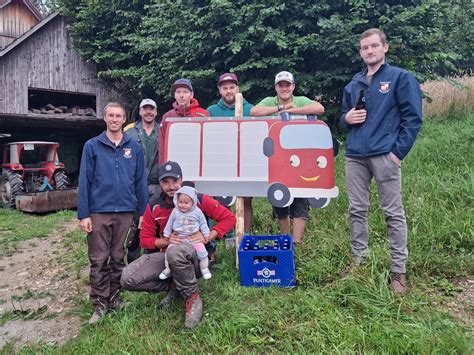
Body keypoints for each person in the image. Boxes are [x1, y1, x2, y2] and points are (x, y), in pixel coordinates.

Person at [340, 28, 422, 295]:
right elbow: (343, 117)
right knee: (356, 210)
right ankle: (359, 261)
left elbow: (413, 119)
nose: (370, 51)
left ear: (384, 48)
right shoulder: (353, 84)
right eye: (365, 48)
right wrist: (346, 119)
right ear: (360, 52)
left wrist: (397, 153)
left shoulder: (399, 78)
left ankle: (398, 271)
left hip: (385, 155)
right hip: (355, 156)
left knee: (393, 213)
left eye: (374, 46)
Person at [121, 161, 236, 328]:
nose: (171, 186)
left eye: (175, 181)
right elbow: (145, 239)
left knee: (176, 254)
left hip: (197, 256)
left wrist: (208, 236)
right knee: (128, 278)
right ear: (160, 183)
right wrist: (166, 241)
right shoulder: (154, 206)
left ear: (181, 179)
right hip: (168, 254)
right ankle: (175, 285)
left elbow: (229, 218)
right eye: (165, 182)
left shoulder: (199, 200)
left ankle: (193, 298)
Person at [78, 102, 148, 324]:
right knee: (99, 259)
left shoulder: (134, 147)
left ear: (124, 119)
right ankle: (100, 304)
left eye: (118, 116)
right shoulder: (92, 146)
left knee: (118, 258)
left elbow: (140, 182)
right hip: (99, 211)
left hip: (126, 212)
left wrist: (144, 213)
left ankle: (115, 298)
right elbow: (84, 181)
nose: (115, 119)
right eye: (111, 115)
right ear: (105, 118)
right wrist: (84, 214)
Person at [250, 71, 325, 244]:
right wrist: (280, 109)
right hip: (279, 158)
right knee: (280, 197)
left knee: (301, 196)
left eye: (287, 85)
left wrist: (294, 110)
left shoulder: (301, 100)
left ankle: (297, 242)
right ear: (276, 87)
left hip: (303, 157)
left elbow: (319, 109)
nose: (284, 88)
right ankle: (285, 239)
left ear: (293, 86)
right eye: (281, 85)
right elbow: (254, 111)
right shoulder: (270, 101)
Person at [207, 72, 254, 234]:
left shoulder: (250, 109)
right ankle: (227, 234)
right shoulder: (211, 111)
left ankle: (245, 234)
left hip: (245, 161)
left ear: (238, 89)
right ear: (220, 90)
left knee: (245, 199)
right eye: (225, 88)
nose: (229, 91)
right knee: (222, 199)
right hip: (221, 162)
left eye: (232, 87)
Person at [124, 98, 160, 263]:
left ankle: (151, 259)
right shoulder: (129, 131)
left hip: (157, 185)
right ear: (140, 112)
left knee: (154, 223)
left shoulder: (163, 130)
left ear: (156, 112)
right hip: (135, 185)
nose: (148, 112)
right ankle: (132, 260)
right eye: (145, 109)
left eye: (151, 109)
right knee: (135, 223)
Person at [159, 186, 212, 280]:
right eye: (180, 202)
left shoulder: (197, 212)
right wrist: (166, 234)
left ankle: (204, 268)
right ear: (176, 201)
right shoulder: (175, 211)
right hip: (179, 238)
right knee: (169, 251)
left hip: (193, 238)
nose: (183, 205)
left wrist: (206, 234)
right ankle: (168, 269)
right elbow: (170, 223)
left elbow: (203, 224)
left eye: (186, 203)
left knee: (202, 252)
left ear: (193, 202)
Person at [159, 78, 209, 163]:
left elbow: (208, 143)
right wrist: (163, 168)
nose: (181, 95)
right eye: (178, 92)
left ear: (191, 94)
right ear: (174, 95)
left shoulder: (203, 114)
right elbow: (162, 145)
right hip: (174, 164)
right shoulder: (167, 116)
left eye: (185, 92)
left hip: (197, 162)